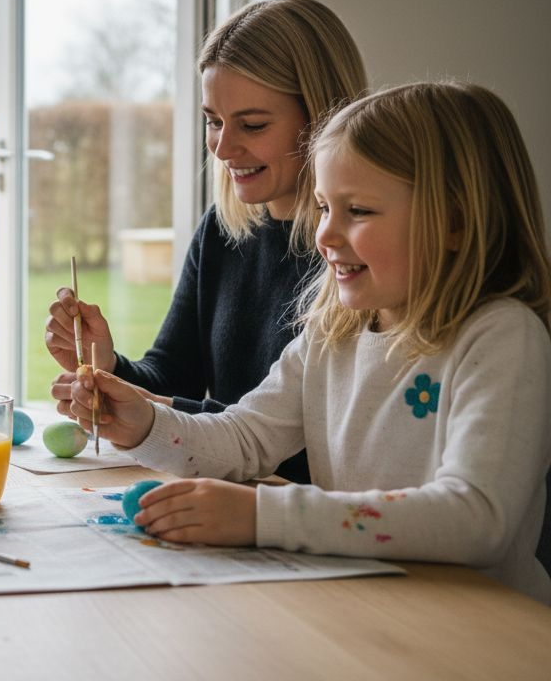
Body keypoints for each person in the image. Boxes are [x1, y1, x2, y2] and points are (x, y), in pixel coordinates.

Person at [56, 82, 551, 603]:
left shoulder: (501, 338)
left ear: (453, 221)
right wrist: (144, 424)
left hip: (489, 632)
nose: (325, 236)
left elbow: (474, 519)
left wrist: (259, 516)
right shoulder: (334, 331)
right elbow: (245, 438)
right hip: (377, 610)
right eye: (323, 208)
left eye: (357, 210)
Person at [44, 0, 368, 484]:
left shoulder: (355, 256)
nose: (221, 146)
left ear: (323, 119)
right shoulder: (223, 229)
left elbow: (313, 447)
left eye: (252, 124)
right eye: (213, 121)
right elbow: (174, 375)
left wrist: (160, 412)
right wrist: (107, 367)